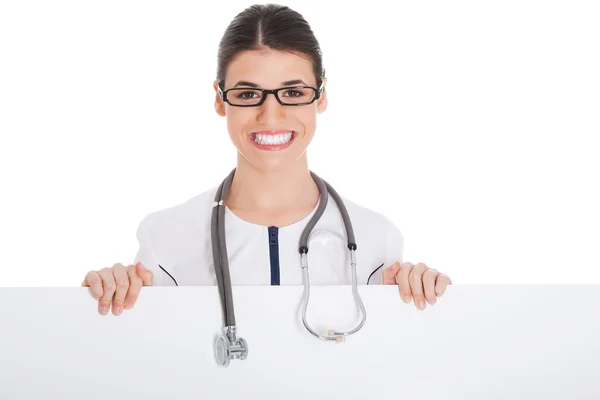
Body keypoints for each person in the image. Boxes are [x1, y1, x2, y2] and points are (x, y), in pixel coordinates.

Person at [81, 3, 452, 317]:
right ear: (219, 99)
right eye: (247, 94)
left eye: (293, 91)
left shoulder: (377, 240)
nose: (270, 115)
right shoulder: (165, 238)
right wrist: (106, 295)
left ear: (321, 95)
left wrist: (428, 301)